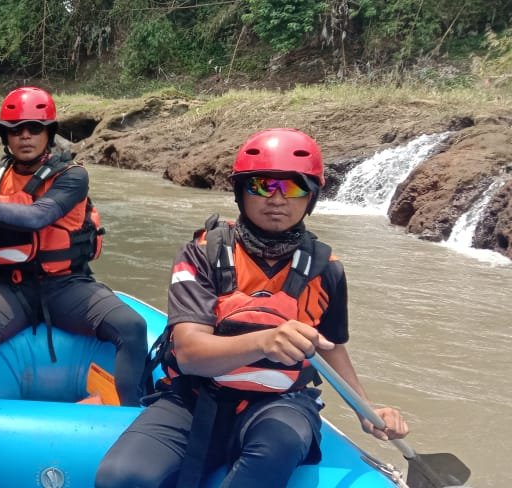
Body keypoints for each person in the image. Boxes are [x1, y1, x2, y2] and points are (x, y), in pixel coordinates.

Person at [95, 128, 410, 488]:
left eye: (293, 187)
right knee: (119, 477)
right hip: (196, 394)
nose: (277, 199)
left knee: (276, 448)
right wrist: (263, 342)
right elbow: (189, 354)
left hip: (282, 401)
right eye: (262, 185)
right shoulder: (203, 253)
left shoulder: (328, 269)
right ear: (241, 191)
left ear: (312, 196)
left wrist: (365, 410)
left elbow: (332, 345)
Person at [0, 86, 148, 406]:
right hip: (9, 287)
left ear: (49, 133)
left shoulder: (72, 176)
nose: (24, 136)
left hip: (66, 285)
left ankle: (131, 419)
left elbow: (38, 217)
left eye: (34, 128)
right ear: (5, 136)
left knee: (133, 328)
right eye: (15, 129)